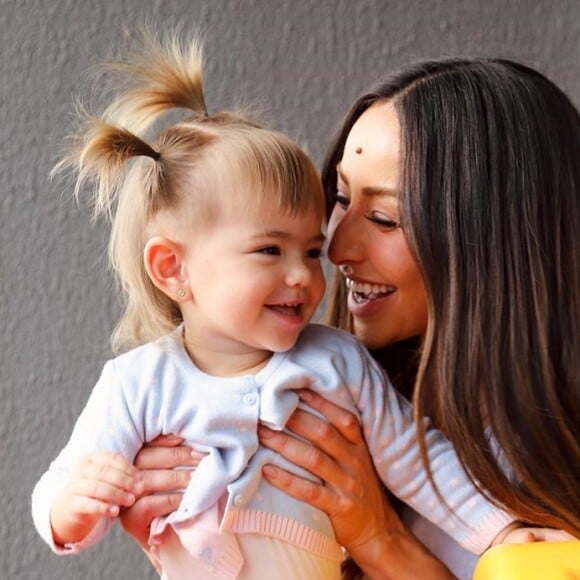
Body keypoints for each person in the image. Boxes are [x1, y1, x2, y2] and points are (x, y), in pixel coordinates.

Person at [30, 37, 533, 580]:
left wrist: (503, 532)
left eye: (310, 250)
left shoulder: (336, 362)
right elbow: (64, 483)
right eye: (270, 250)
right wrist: (78, 508)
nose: (319, 266)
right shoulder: (138, 382)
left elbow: (420, 460)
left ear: (487, 239)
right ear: (172, 269)